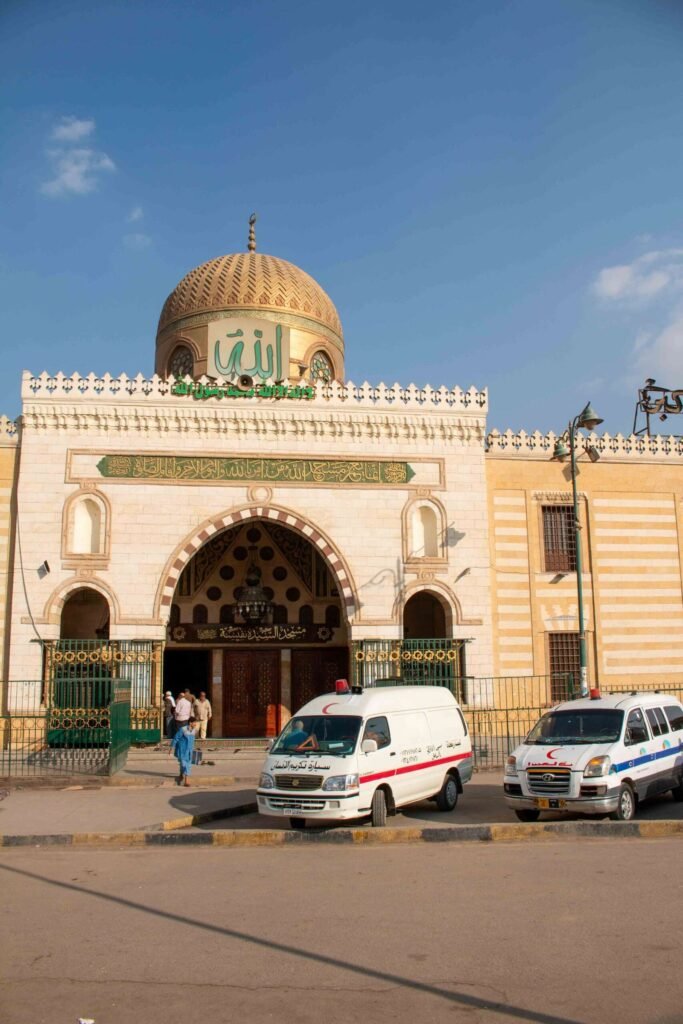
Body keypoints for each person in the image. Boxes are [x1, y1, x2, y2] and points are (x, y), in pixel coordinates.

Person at [169, 716, 196, 786]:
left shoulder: (194, 731)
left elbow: (192, 741)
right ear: (190, 723)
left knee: (188, 765)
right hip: (182, 750)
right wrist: (171, 747)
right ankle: (181, 773)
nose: (195, 724)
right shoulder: (183, 729)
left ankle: (186, 781)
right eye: (194, 722)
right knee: (183, 764)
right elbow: (176, 738)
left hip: (189, 751)